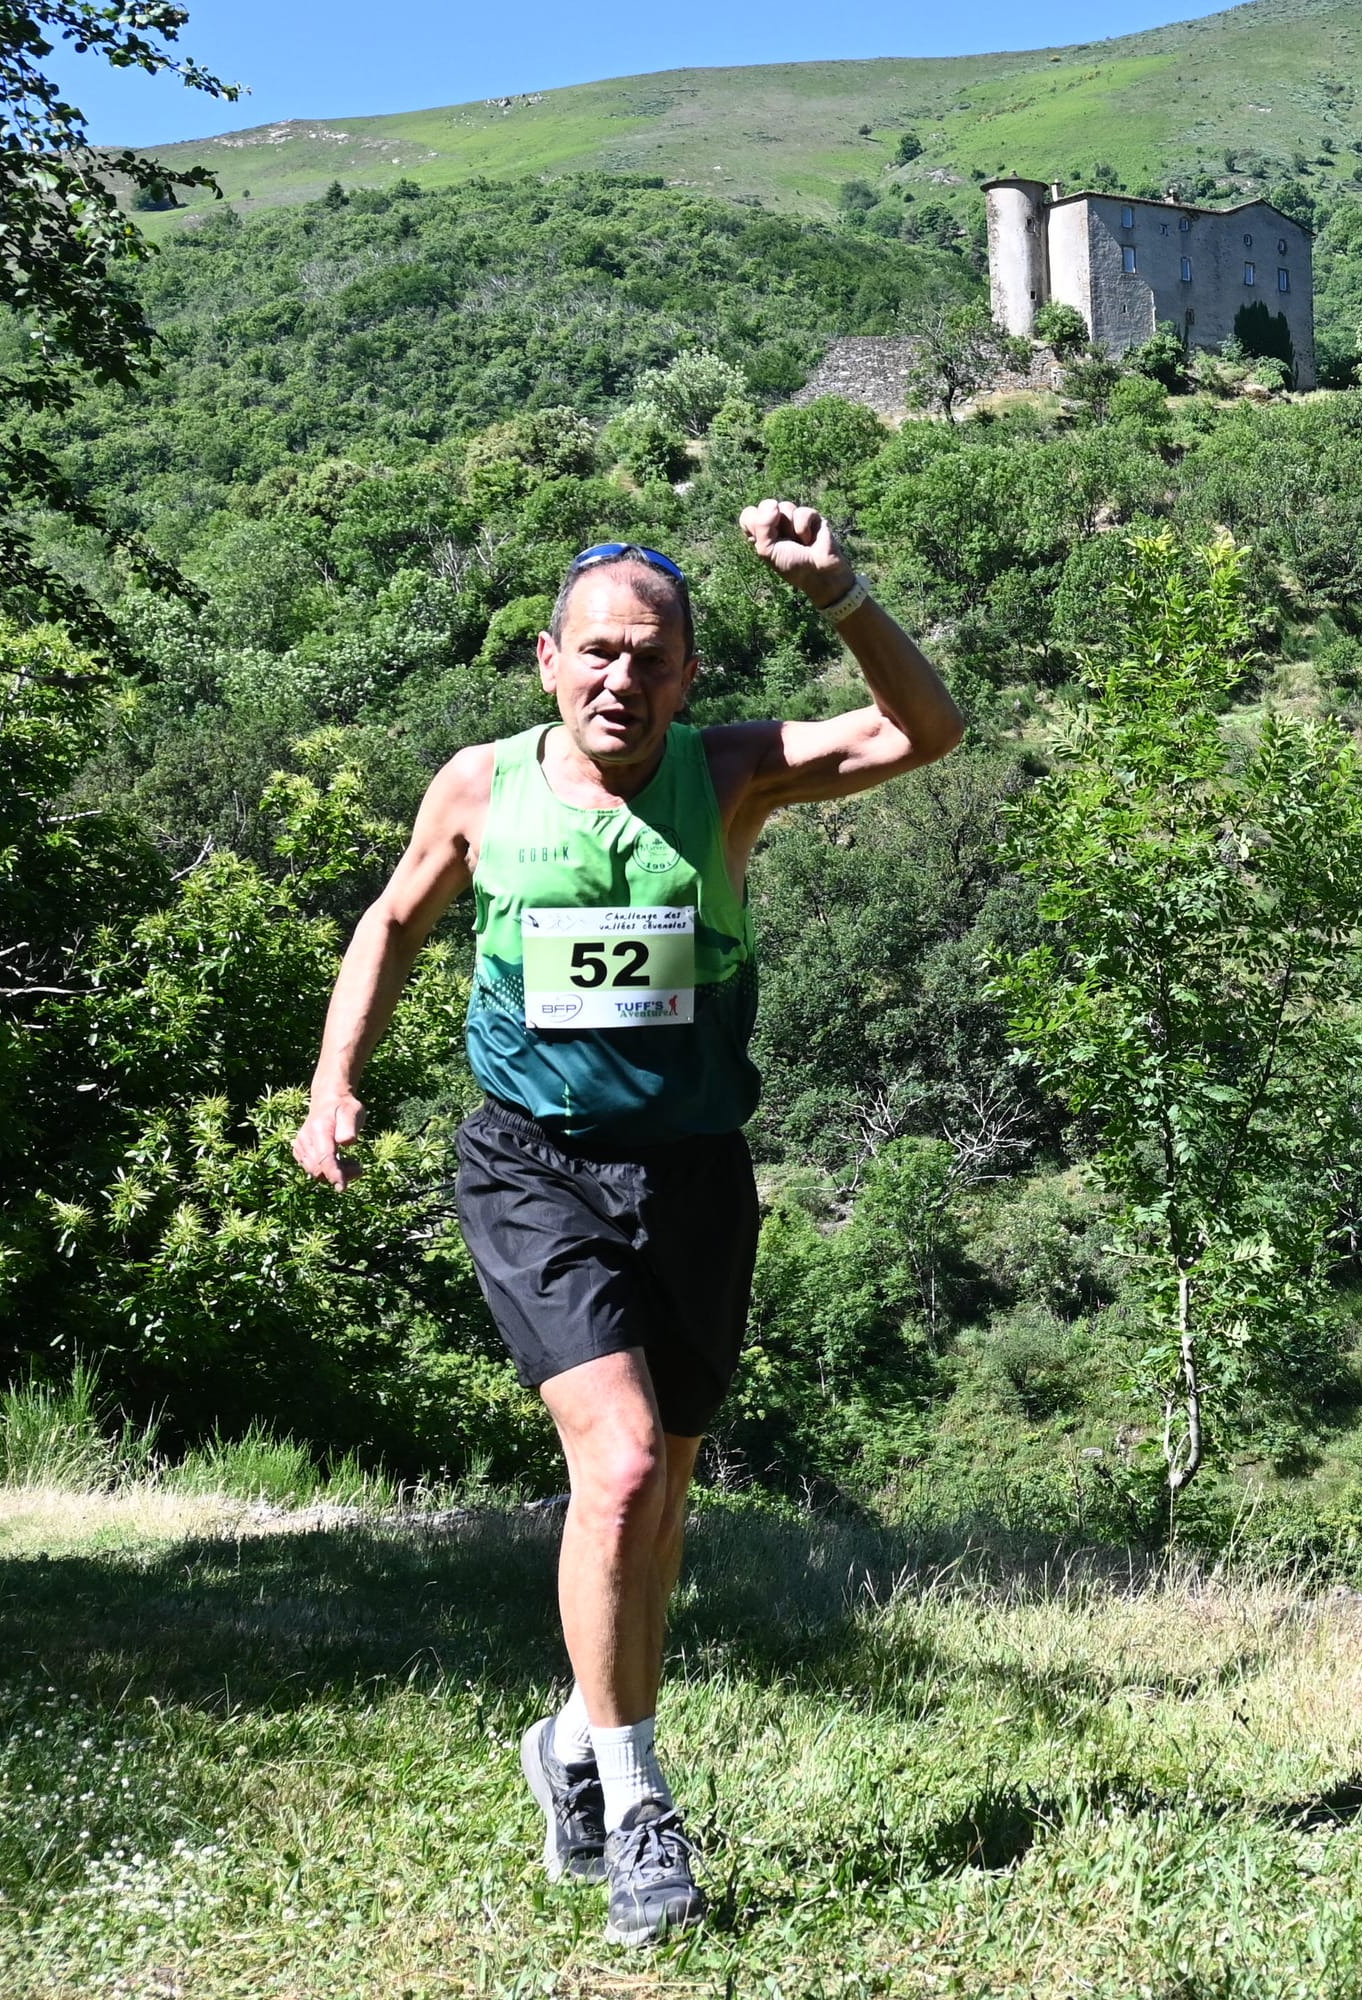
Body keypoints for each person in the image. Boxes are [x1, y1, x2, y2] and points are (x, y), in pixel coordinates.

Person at [291, 502, 964, 1946]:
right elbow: (394, 921)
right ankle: (639, 1802)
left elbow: (925, 733)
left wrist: (840, 594)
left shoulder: (730, 778)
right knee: (622, 1467)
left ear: (689, 675)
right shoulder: (477, 788)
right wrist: (332, 1084)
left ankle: (572, 1739)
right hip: (532, 1165)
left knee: (661, 1511)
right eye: (595, 654)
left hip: (696, 1176)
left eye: (648, 661)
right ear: (548, 662)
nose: (619, 682)